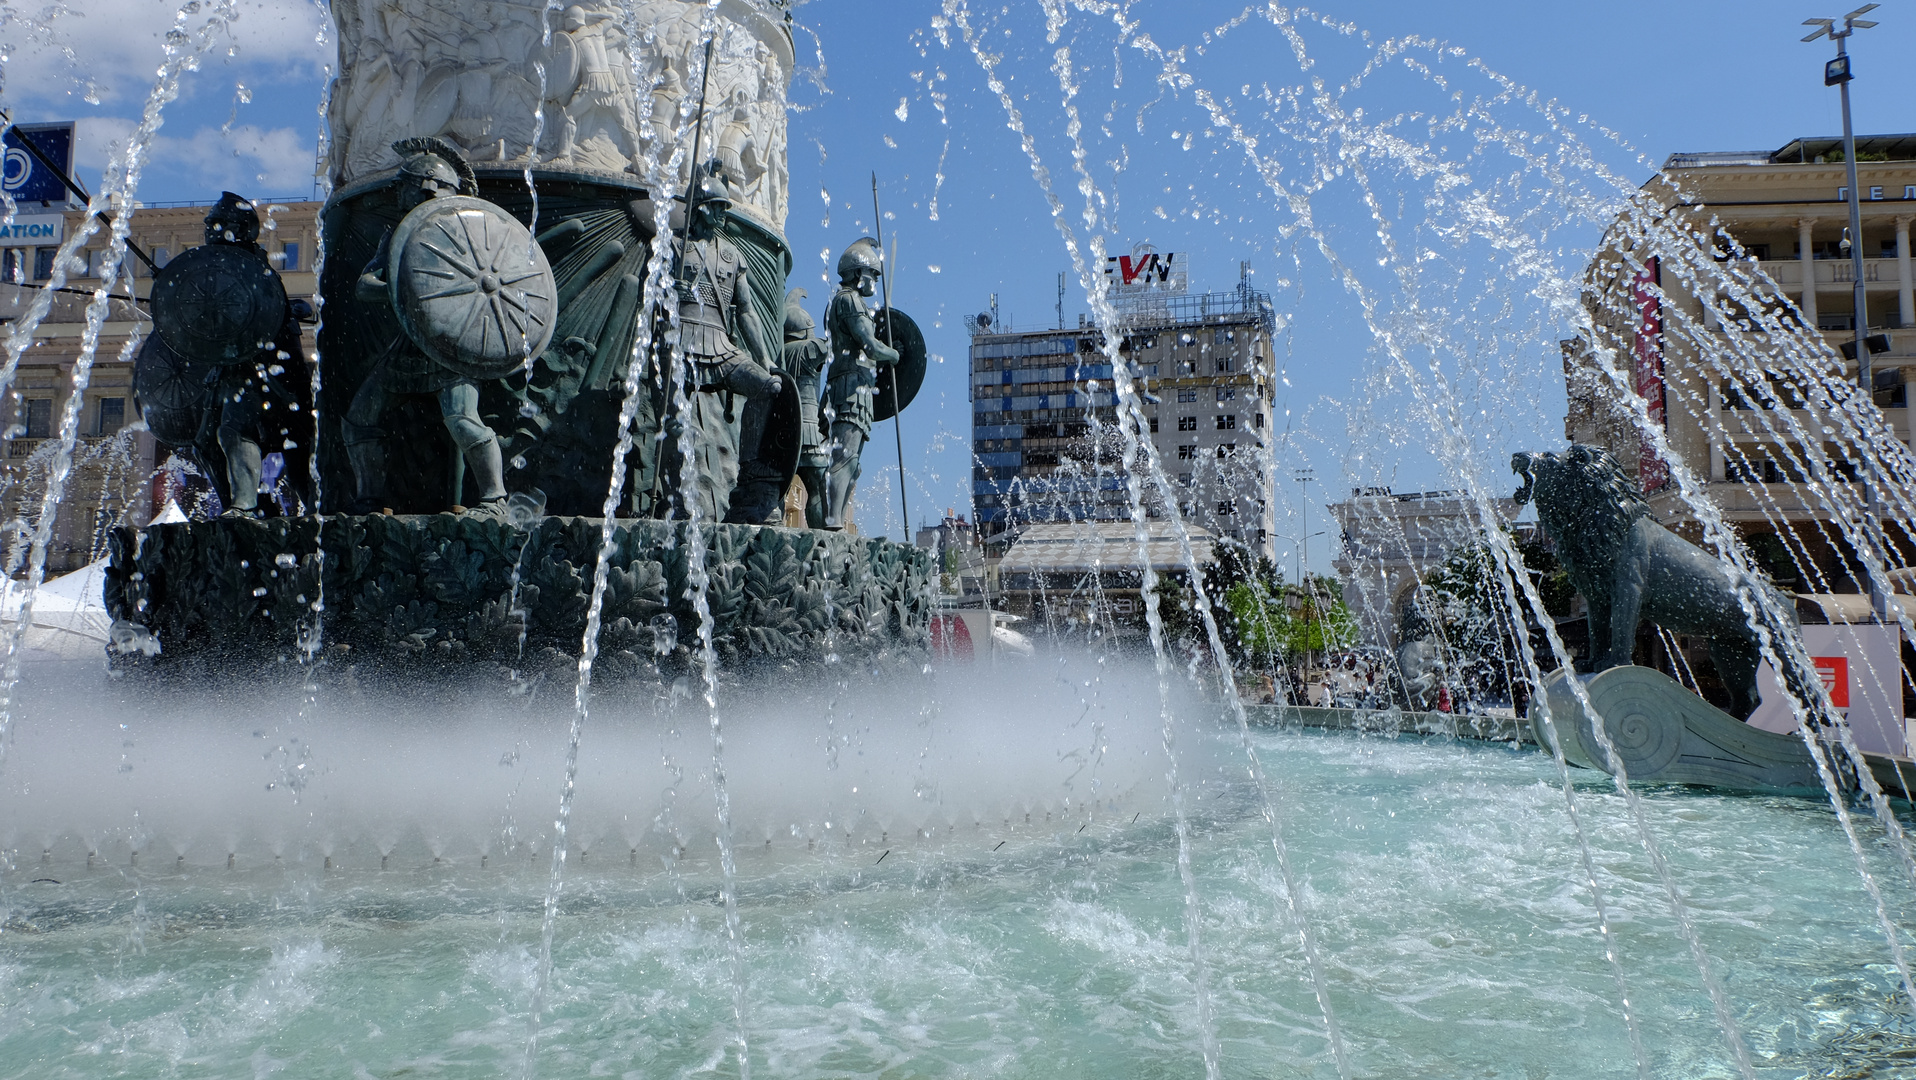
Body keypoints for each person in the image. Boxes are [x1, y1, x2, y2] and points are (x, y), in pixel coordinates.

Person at [340, 137, 509, 517]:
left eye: (406, 185)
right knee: (358, 419)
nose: (401, 193)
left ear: (428, 187)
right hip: (408, 345)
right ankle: (369, 499)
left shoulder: (472, 232)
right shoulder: (397, 235)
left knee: (463, 421)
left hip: (454, 343)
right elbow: (366, 286)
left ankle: (494, 500)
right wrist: (404, 289)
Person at [656, 169, 781, 521]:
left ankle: (750, 483)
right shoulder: (672, 247)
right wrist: (669, 293)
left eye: (725, 206)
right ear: (701, 208)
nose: (724, 213)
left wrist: (763, 358)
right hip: (681, 344)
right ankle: (678, 497)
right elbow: (645, 299)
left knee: (767, 387)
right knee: (678, 423)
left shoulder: (731, 255)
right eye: (718, 206)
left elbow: (747, 312)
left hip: (721, 346)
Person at [195, 192, 313, 518]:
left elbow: (254, 321)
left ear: (239, 228)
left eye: (217, 224)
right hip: (238, 368)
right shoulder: (215, 270)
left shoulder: (249, 267)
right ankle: (246, 505)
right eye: (209, 224)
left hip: (271, 371)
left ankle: (251, 507)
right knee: (208, 437)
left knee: (291, 452)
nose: (209, 230)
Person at [822, 237, 898, 530]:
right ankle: (833, 522)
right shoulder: (849, 300)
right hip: (850, 387)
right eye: (873, 275)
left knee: (853, 463)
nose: (875, 282)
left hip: (855, 384)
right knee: (845, 457)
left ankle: (836, 518)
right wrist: (894, 354)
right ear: (859, 273)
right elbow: (869, 345)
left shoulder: (840, 301)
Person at [778, 288, 832, 527]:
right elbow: (838, 344)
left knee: (776, 491)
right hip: (808, 433)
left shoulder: (777, 352)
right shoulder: (807, 350)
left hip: (778, 434)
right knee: (819, 487)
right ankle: (822, 539)